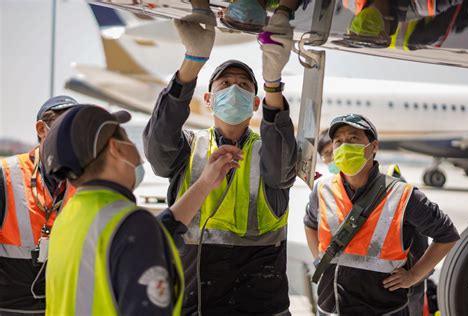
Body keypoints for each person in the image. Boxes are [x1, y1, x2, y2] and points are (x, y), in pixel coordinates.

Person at [143, 16, 297, 315]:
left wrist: (273, 83)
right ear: (209, 99)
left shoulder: (270, 152)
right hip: (197, 303)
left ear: (255, 102)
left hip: (260, 307)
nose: (234, 89)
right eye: (225, 84)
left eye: (243, 85)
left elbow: (281, 160)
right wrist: (192, 62)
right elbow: (158, 146)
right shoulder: (188, 148)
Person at [41, 104, 242, 315]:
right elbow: (140, 238)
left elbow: (151, 236)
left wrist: (205, 183)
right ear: (116, 148)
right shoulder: (131, 226)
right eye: (126, 137)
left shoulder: (70, 217)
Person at [303, 113, 459, 315]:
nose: (344, 147)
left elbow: (447, 235)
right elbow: (310, 223)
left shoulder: (403, 195)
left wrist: (413, 276)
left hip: (384, 309)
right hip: (331, 308)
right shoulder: (322, 189)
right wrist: (319, 259)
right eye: (338, 141)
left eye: (353, 139)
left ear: (374, 146)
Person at [0, 96, 78, 315]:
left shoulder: (85, 179)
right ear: (42, 129)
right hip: (10, 308)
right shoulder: (6, 174)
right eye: (65, 127)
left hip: (60, 307)